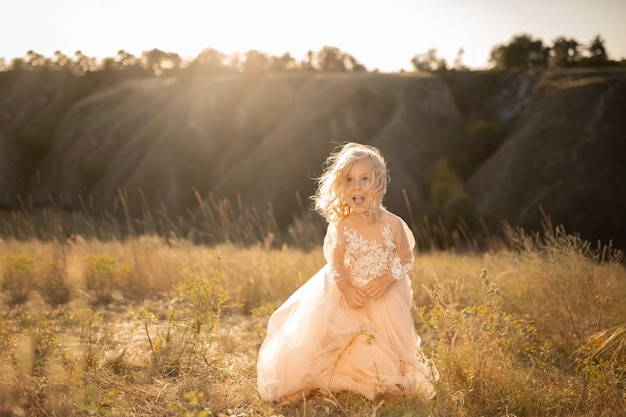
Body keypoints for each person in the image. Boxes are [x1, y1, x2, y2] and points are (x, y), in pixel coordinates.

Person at [256, 142, 438, 403]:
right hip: (351, 292)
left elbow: (405, 257)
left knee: (390, 351)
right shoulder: (342, 226)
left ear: (379, 184)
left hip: (386, 295)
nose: (357, 186)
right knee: (338, 340)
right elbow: (336, 264)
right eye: (350, 180)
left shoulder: (393, 224)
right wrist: (346, 288)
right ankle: (317, 379)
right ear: (341, 186)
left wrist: (386, 279)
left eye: (365, 179)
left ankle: (387, 377)